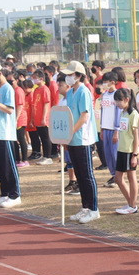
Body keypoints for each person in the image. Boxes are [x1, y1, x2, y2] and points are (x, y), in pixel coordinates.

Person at [61, 61, 100, 223]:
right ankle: (85, 207)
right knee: (79, 174)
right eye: (67, 75)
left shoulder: (84, 91)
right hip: (72, 139)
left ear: (78, 75)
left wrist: (70, 132)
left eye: (70, 75)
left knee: (87, 175)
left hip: (82, 138)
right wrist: (65, 136)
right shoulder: (70, 93)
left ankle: (94, 209)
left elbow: (84, 117)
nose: (68, 78)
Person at [112, 88, 139, 215]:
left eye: (119, 101)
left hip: (129, 151)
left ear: (127, 100)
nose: (117, 104)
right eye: (116, 101)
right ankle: (131, 203)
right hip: (121, 149)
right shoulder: (123, 112)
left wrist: (135, 155)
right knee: (118, 178)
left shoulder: (133, 114)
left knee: (131, 177)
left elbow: (136, 137)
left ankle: (132, 205)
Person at [28, 70, 53, 164]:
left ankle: (48, 156)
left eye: (35, 78)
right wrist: (33, 118)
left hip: (43, 118)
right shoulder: (36, 90)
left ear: (41, 78)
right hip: (37, 118)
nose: (33, 80)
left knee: (46, 137)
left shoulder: (45, 89)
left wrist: (44, 118)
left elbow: (46, 104)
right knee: (42, 137)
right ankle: (44, 155)